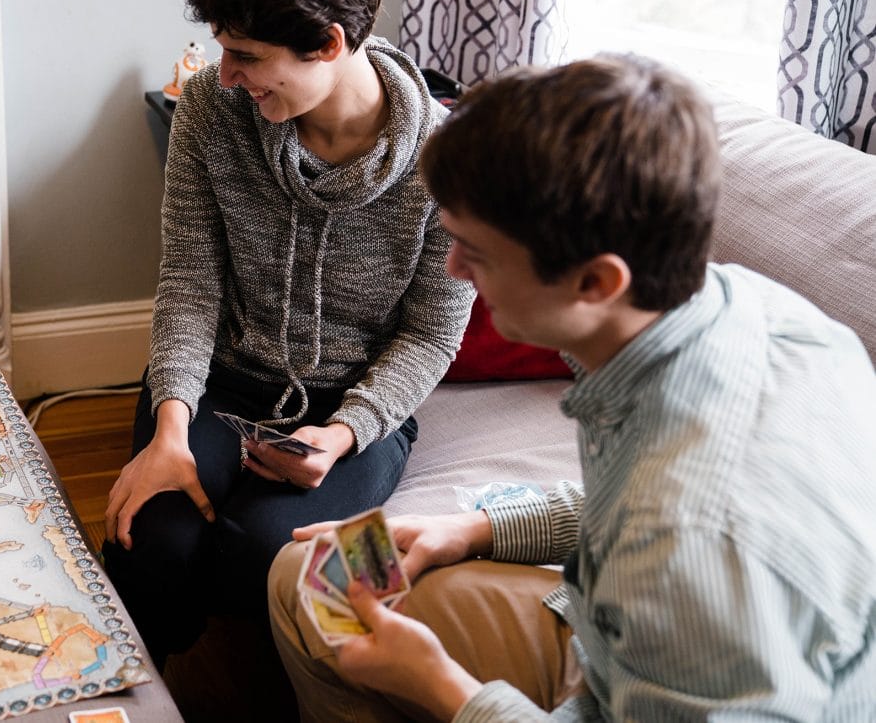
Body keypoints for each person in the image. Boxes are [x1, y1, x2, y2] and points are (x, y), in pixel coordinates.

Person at [268, 55, 876, 720]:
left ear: (596, 282)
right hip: (612, 638)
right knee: (316, 572)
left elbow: (674, 519)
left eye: (478, 251)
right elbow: (635, 495)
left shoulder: (690, 539)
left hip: (630, 687)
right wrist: (473, 528)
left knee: (328, 607)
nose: (452, 267)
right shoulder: (748, 313)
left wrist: (439, 682)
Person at [102, 0, 475, 668]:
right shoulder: (210, 111)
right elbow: (190, 285)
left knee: (272, 553)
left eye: (245, 54)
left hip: (355, 409)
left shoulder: (447, 160)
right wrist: (172, 425)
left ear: (328, 45)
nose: (223, 71)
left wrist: (344, 434)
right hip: (220, 383)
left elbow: (433, 335)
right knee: (149, 538)